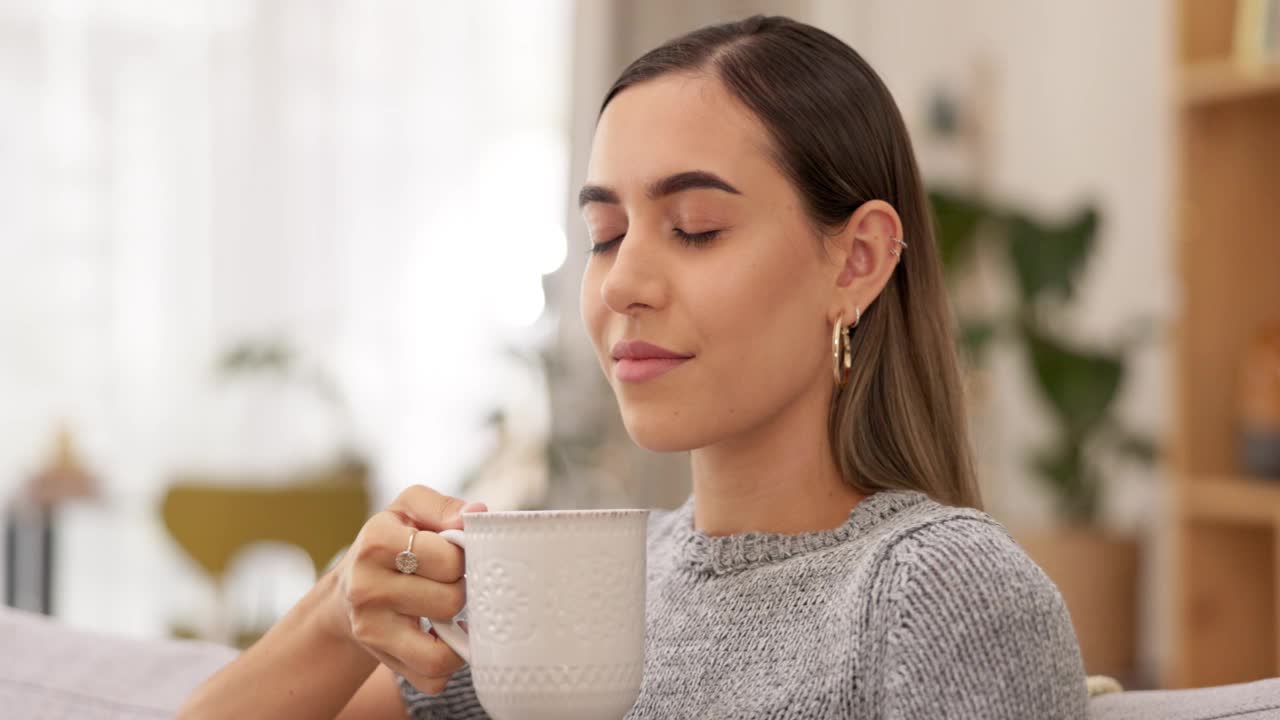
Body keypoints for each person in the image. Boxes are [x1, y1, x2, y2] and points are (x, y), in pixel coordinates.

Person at [178, 14, 1089, 720]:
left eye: (695, 228)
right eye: (604, 237)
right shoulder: (595, 587)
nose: (623, 286)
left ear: (856, 262)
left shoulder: (938, 590)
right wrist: (341, 609)